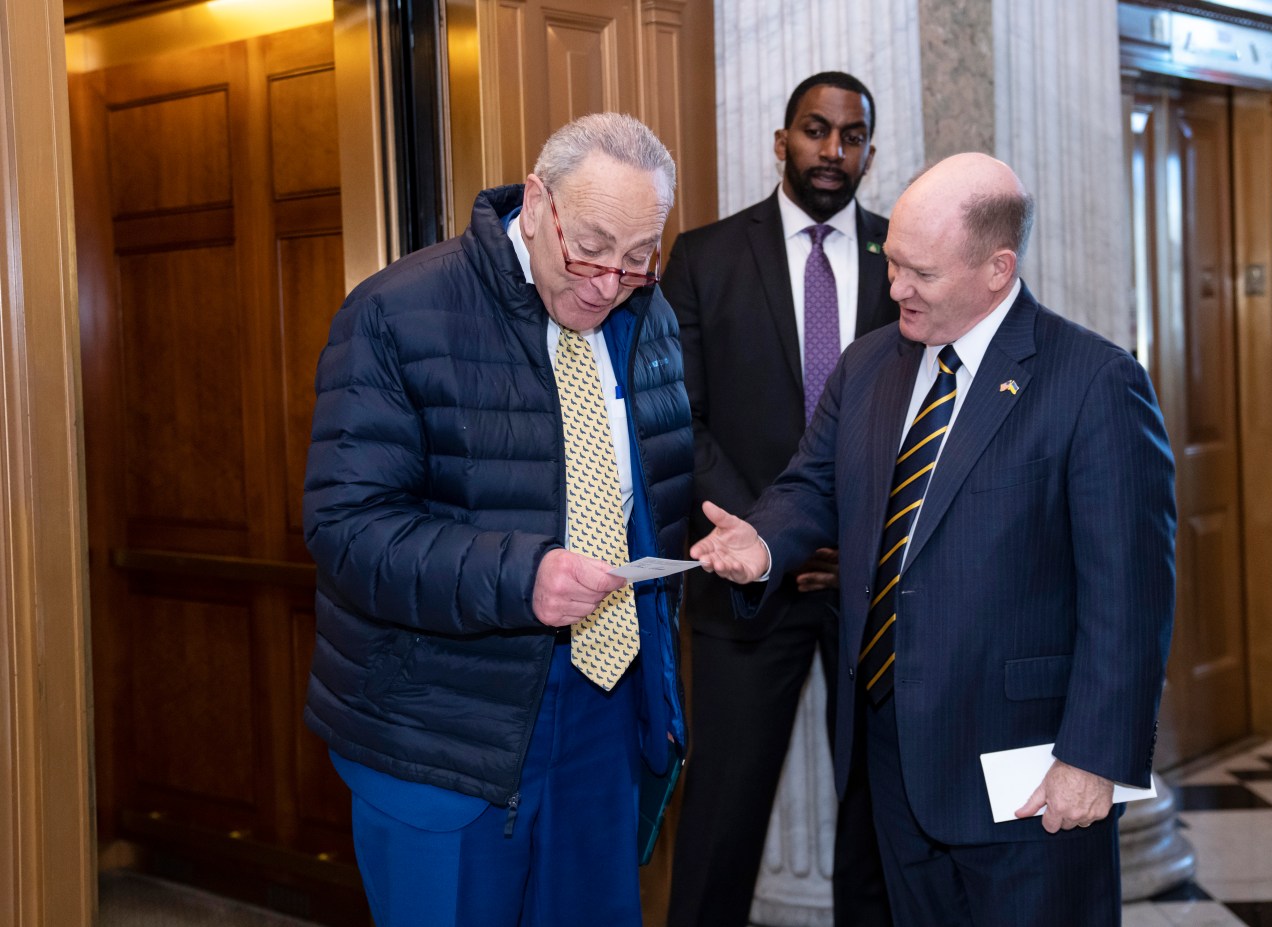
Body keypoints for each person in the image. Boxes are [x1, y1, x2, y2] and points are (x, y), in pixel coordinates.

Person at [691, 153, 1176, 927]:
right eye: (892, 265)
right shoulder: (871, 364)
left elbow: (1132, 598)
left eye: (922, 273)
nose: (895, 288)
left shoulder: (1093, 382)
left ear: (996, 268)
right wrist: (765, 542)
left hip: (1031, 767)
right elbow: (810, 484)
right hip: (893, 753)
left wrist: (1096, 757)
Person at [302, 112, 693, 927]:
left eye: (636, 259)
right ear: (538, 197)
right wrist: (523, 576)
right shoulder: (396, 312)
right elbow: (348, 529)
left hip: (604, 707)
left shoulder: (647, 314)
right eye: (588, 248)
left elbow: (644, 491)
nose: (605, 284)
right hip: (444, 729)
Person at [663, 71, 895, 927]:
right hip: (741, 586)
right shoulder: (706, 255)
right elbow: (681, 421)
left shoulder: (899, 259)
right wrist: (775, 536)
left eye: (853, 135)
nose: (834, 151)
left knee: (877, 820)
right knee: (723, 821)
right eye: (816, 130)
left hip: (869, 588)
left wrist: (851, 535)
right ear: (781, 141)